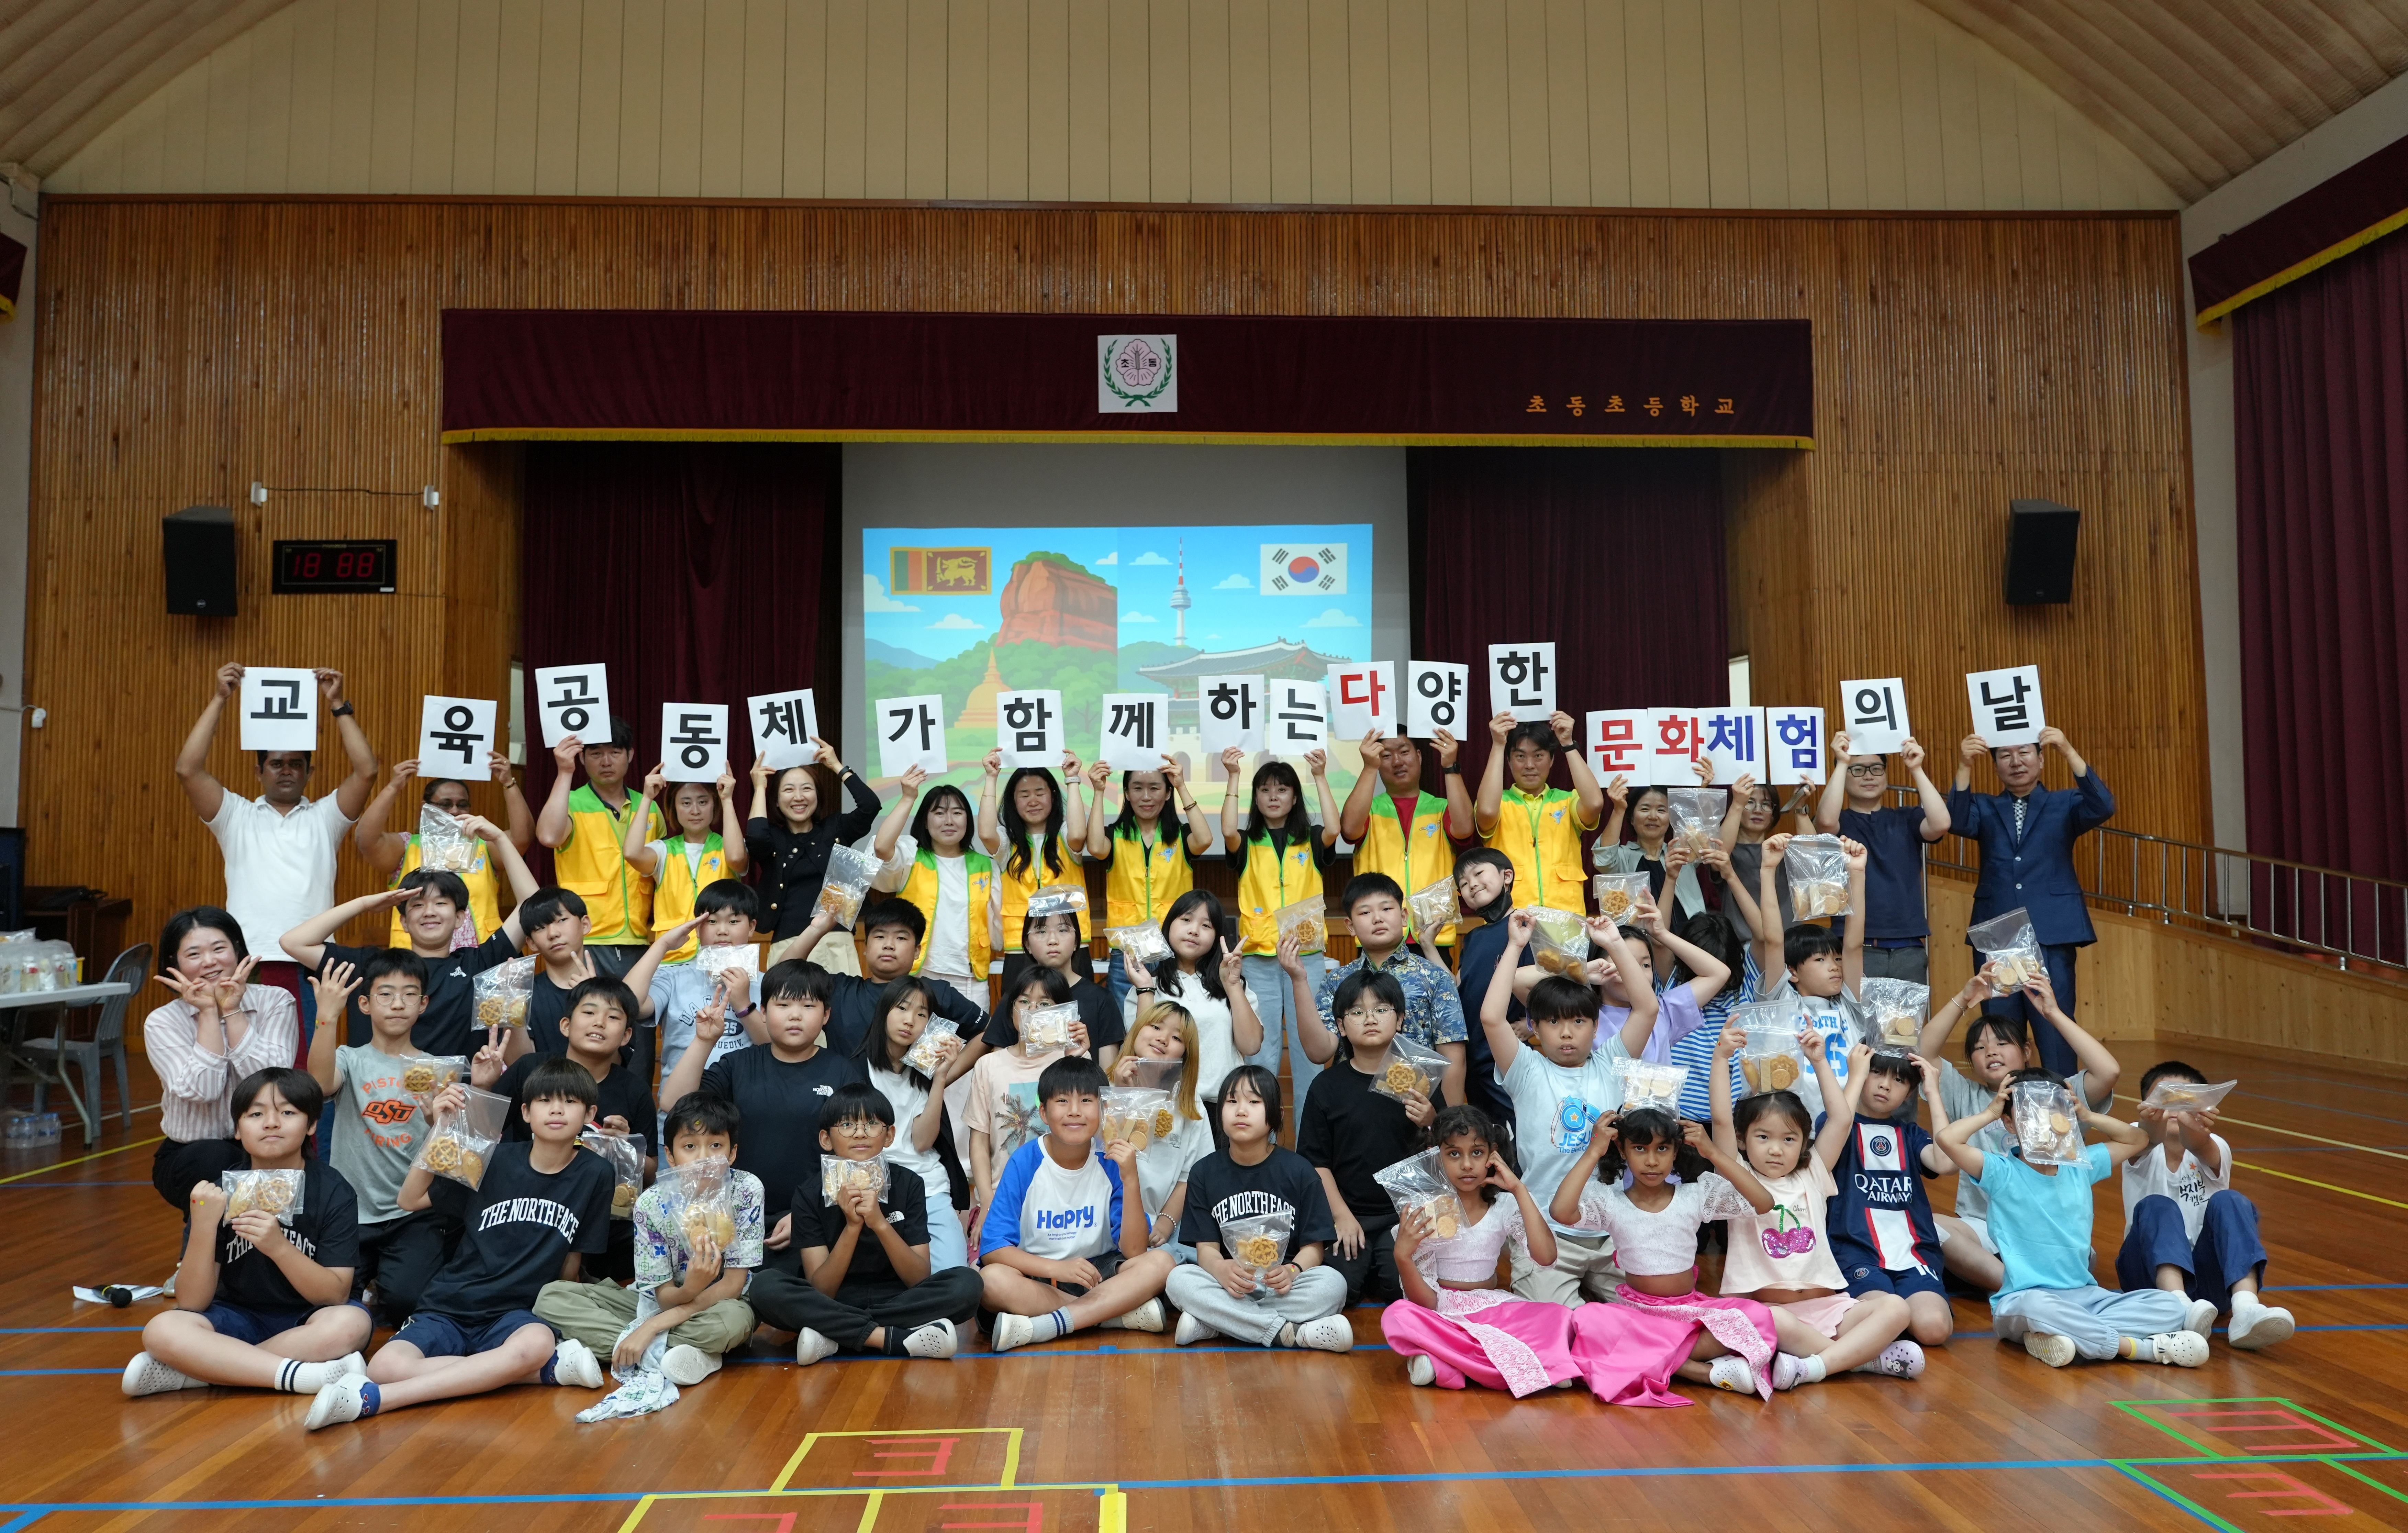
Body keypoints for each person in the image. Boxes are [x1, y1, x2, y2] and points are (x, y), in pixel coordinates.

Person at [304, 1057, 617, 1428]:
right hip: (452, 1303)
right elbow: (409, 1200)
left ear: (590, 1113)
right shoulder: (491, 1160)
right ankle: (540, 1373)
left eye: (570, 1102)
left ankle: (380, 1400)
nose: (557, 1110)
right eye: (546, 1101)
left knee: (536, 1343)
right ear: (526, 1113)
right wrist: (440, 1132)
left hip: (516, 1314)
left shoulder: (596, 1172)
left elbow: (572, 1258)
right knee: (386, 1365)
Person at [120, 1068, 373, 1398]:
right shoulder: (218, 1192)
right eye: (256, 1114)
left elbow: (335, 1295)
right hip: (235, 1319)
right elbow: (192, 1302)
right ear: (238, 1129)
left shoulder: (333, 1190)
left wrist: (278, 1247)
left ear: (311, 1125)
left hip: (309, 1320)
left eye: (287, 1112)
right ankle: (303, 1376)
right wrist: (204, 1225)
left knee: (351, 1323)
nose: (271, 1123)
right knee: (162, 1329)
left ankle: (205, 1372)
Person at [1933, 1069, 2209, 1370]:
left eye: (2056, 1110)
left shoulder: (2081, 1166)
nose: (2046, 1120)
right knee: (2038, 1308)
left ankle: (2067, 1336)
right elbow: (1948, 1139)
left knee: (2169, 1306)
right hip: (2025, 1300)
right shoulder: (2001, 1171)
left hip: (2086, 1297)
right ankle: (2140, 1348)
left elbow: (2138, 1138)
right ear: (2010, 1122)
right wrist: (1991, 1112)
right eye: (2031, 1113)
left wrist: (2087, 1115)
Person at [175, 663, 379, 1043]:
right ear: (259, 771)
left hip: (313, 961)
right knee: (248, 1063)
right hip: (248, 963)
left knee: (310, 1071)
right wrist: (220, 698)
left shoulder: (326, 817)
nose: (286, 771)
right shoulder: (235, 815)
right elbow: (188, 769)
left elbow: (366, 771)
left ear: (309, 772)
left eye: (295, 765)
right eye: (276, 764)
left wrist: (338, 706)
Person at [1706, 1035, 1926, 1387]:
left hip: (1830, 1309)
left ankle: (1815, 1366)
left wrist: (1820, 1061)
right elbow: (1719, 1121)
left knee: (1898, 1308)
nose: (1776, 1150)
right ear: (1743, 1140)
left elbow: (1841, 1118)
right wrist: (1721, 1059)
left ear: (1805, 1142)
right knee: (1775, 1321)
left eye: (1789, 1139)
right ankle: (1861, 1361)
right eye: (1763, 1138)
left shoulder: (1813, 1172)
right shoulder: (1737, 1176)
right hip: (1772, 1313)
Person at [1545, 1108, 1782, 1401]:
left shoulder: (1695, 1195)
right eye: (1640, 1148)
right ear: (1622, 1149)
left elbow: (1763, 1202)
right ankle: (1701, 1372)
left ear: (1676, 1150)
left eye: (1662, 1148)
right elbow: (1561, 1212)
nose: (1652, 1160)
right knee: (1590, 1319)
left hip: (1688, 1315)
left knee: (1758, 1315)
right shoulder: (1610, 1202)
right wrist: (1594, 1151)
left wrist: (1713, 1153)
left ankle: (1658, 1358)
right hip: (1639, 1316)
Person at [533, 1092, 763, 1391]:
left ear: (732, 1153)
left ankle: (635, 1347)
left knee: (731, 1323)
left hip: (721, 1304)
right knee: (550, 1297)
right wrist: (687, 1288)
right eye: (690, 1146)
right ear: (671, 1154)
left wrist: (651, 1328)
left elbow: (733, 1285)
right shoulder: (651, 1202)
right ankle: (686, 1355)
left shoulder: (746, 1189)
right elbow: (664, 1296)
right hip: (655, 1305)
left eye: (716, 1146)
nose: (704, 1157)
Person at [1479, 910, 1649, 1306]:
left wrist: (1615, 943)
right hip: (1545, 1231)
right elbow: (1491, 1017)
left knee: (1643, 1320)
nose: (1568, 1032)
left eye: (1578, 1021)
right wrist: (1516, 946)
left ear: (1596, 1025)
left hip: (1610, 1234)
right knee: (1555, 1326)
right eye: (1553, 1023)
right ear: (1535, 1028)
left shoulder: (1611, 1064)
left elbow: (1647, 1010)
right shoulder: (1527, 1069)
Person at [1916, 967, 2120, 1294]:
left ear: (2026, 1051)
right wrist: (1964, 999)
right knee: (1934, 1227)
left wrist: (2053, 1014)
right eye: (1979, 1048)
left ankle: (2022, 1281)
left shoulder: (2057, 1097)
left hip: (2049, 1231)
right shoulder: (1965, 1094)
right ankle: (2024, 1285)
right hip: (1983, 1229)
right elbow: (1923, 1050)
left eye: (2001, 1043)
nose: (1991, 1051)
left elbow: (2108, 1071)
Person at [749, 1083, 985, 1362]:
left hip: (897, 1298)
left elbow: (919, 1278)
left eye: (872, 1123)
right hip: (835, 1299)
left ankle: (835, 1334)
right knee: (764, 1287)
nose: (860, 1132)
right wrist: (852, 1227)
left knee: (967, 1284)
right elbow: (822, 1288)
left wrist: (880, 1223)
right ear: (826, 1139)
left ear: (889, 1135)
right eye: (847, 1124)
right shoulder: (810, 1192)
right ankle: (892, 1337)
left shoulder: (908, 1184)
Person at [658, 961, 867, 1271]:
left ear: (826, 1016)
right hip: (734, 1218)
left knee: (789, 1291)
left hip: (814, 1218)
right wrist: (704, 1040)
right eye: (783, 1004)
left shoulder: (843, 1071)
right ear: (764, 1012)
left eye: (808, 1006)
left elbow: (857, 1154)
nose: (795, 1015)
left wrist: (810, 1213)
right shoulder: (737, 1065)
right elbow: (673, 1103)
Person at [282, 812, 539, 1054]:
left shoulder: (479, 964)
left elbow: (532, 904)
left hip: (454, 1096)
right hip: (378, 1096)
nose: (429, 912)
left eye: (441, 904)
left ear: (461, 918)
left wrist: (501, 839)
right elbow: (294, 943)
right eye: (418, 905)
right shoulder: (372, 965)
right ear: (404, 921)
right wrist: (363, 904)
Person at [1380, 1106, 1583, 1395]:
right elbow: (1425, 1304)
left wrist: (1519, 1189)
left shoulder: (1505, 1204)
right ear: (1434, 1155)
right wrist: (1402, 1256)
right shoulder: (1424, 1212)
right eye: (1454, 1154)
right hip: (1442, 1312)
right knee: (1398, 1315)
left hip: (1493, 1308)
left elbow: (1546, 1256)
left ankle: (1447, 1362)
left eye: (1477, 1153)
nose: (1467, 1165)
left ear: (1493, 1154)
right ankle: (1537, 1362)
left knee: (1559, 1315)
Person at [1947, 725, 2114, 1075]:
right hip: (1998, 937)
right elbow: (1956, 820)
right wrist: (1964, 765)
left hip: (2052, 931)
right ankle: (2005, 1112)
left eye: (2024, 752)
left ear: (2041, 759)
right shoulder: (1985, 806)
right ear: (1995, 765)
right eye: (2005, 755)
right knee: (2000, 1031)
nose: (2016, 762)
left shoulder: (2065, 802)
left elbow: (2103, 804)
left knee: (2055, 1026)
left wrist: (2069, 750)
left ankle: (2062, 1113)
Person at [978, 1055, 1175, 1350]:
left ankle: (1050, 1324)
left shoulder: (1112, 1159)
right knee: (992, 1280)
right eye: (1062, 1102)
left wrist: (1131, 1178)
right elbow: (994, 1249)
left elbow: (1135, 1250)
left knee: (1162, 1262)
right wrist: (1057, 1269)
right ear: (1043, 1112)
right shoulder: (1025, 1161)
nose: (1074, 1112)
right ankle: (1109, 1315)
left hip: (1101, 1274)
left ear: (1103, 1108)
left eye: (1086, 1100)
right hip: (1042, 1276)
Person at [304, 956, 455, 1325]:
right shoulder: (349, 1059)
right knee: (329, 1303)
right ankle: (370, 1285)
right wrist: (327, 1016)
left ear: (424, 1005)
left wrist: (440, 1120)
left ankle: (384, 1284)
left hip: (412, 1214)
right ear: (365, 1004)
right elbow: (320, 1086)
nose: (398, 1003)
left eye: (409, 994)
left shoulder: (438, 1069)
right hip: (350, 1213)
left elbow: (449, 1149)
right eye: (385, 994)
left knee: (408, 1301)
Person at [475, 976, 655, 1281]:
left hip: (599, 1215)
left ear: (626, 1035)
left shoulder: (634, 1090)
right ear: (566, 1025)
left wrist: (628, 1147)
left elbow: (650, 1172)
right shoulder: (531, 1068)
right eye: (589, 1012)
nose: (599, 1022)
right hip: (524, 1204)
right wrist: (482, 1087)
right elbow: (480, 1135)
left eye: (612, 1017)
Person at [1167, 1066, 1351, 1350]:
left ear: (1277, 1115)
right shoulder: (1204, 1172)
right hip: (1231, 1287)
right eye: (1232, 1101)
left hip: (1284, 1287)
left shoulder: (1300, 1171)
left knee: (1333, 1283)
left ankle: (1219, 1324)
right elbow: (1206, 1249)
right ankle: (1290, 1333)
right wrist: (1220, 1269)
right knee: (1179, 1279)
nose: (1241, 1110)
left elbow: (1314, 1247)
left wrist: (1293, 1270)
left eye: (1254, 1102)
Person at [2116, 1061, 2293, 1349]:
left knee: (2232, 1200)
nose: (2173, 1108)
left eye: (2184, 1098)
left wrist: (2196, 1129)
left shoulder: (2216, 1144)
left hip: (2209, 1286)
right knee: (2157, 1205)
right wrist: (2149, 1128)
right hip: (2146, 1280)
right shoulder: (2134, 1137)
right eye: (2164, 1097)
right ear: (2145, 1104)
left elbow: (2200, 1145)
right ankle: (2178, 1306)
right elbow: (2142, 1143)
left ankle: (2246, 1308)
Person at [1219, 748, 1341, 1134]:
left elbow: (1336, 829)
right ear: (1255, 797)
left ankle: (1309, 1146)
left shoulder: (1313, 839)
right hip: (1259, 959)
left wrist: (1321, 775)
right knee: (1263, 1054)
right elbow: (1225, 830)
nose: (1274, 796)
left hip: (1306, 958)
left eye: (1283, 789)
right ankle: (1262, 1140)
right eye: (1266, 790)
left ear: (1294, 797)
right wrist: (1234, 776)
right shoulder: (1246, 842)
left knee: (1312, 1054)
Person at [1298, 971, 1439, 1306]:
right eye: (1358, 1012)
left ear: (1400, 1019)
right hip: (1349, 1212)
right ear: (1342, 1026)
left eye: (1382, 1009)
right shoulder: (1327, 1087)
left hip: (1405, 1215)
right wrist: (1341, 1216)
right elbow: (1316, 1162)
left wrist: (1432, 1121)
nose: (1371, 1019)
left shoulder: (1419, 1080)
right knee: (1343, 1289)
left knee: (1398, 1290)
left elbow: (1442, 1152)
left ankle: (1382, 1261)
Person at [145, 906, 300, 1208]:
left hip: (270, 1145)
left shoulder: (276, 1001)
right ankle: (208, 1249)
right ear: (173, 963)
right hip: (194, 1155)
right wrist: (207, 1013)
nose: (209, 962)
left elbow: (272, 1085)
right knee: (215, 1160)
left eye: (219, 949)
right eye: (193, 954)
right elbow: (202, 1091)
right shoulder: (162, 1022)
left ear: (238, 950)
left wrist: (231, 1011)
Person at [1819, 1045, 1957, 1348]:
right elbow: (1823, 1163)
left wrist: (1933, 1092)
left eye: (1899, 1080)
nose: (1885, 1084)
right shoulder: (1835, 1125)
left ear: (1909, 1093)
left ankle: (1890, 1333)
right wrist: (1855, 1076)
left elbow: (1946, 1163)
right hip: (1856, 1251)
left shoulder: (1910, 1134)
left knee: (1934, 1329)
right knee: (1881, 1318)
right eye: (1876, 1073)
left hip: (1914, 1253)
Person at [1312, 873, 1468, 1108]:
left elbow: (1453, 1056)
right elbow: (1321, 1051)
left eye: (1386, 909)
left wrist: (1450, 1124)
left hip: (1417, 1105)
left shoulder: (1434, 977)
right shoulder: (1336, 980)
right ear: (1350, 926)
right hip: (1353, 1103)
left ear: (1404, 916)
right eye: (1365, 912)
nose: (1377, 919)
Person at [771, 896, 992, 1059]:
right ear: (866, 947)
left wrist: (946, 1078)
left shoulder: (936, 992)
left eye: (901, 937)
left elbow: (989, 1032)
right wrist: (817, 929)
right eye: (880, 936)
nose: (889, 944)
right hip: (849, 1112)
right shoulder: (840, 990)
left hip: (917, 1109)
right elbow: (783, 978)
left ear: (917, 951)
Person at [1121, 891, 1264, 1142]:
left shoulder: (1232, 984)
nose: (1194, 930)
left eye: (1206, 925)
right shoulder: (1146, 986)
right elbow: (1142, 1054)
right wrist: (1145, 988)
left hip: (1222, 1108)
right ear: (1169, 926)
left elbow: (1251, 1045)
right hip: (1165, 1107)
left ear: (1218, 935)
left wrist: (1232, 986)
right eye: (1186, 920)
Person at [857, 976, 979, 1271]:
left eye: (922, 1014)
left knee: (955, 1277)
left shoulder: (924, 1075)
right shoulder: (855, 1069)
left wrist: (939, 1078)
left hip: (928, 1187)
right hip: (872, 1187)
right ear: (884, 1011)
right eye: (902, 1008)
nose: (910, 1020)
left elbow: (923, 1142)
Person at [1749, 834, 1873, 1122]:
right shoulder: (1781, 1000)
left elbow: (1854, 945)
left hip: (1848, 1121)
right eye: (1820, 960)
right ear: (1792, 972)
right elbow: (1773, 941)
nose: (1835, 967)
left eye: (1836, 959)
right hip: (1791, 1124)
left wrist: (1856, 873)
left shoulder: (1848, 1004)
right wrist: (1768, 871)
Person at [354, 753, 534, 947]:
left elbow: (522, 838)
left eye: (462, 805)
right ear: (426, 807)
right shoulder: (407, 847)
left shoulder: (485, 845)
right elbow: (366, 840)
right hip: (418, 961)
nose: (455, 811)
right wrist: (393, 787)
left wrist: (509, 783)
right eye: (446, 804)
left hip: (479, 956)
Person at [964, 966, 1094, 1237]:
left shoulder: (1071, 1058)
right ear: (1011, 1009)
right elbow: (979, 1140)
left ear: (1062, 1013)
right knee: (984, 1275)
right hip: (1004, 1197)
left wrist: (1077, 1058)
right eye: (1024, 1001)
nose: (1032, 1010)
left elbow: (1091, 1133)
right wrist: (989, 1204)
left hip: (1064, 1200)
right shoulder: (988, 1065)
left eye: (1045, 1004)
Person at [1811, 735, 1950, 984]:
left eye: (1877, 769)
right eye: (1858, 769)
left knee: (1908, 1024)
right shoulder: (1841, 821)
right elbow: (1825, 822)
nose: (1869, 776)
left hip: (1908, 946)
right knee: (1858, 1023)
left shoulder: (1906, 817)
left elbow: (1941, 824)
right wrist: (1842, 763)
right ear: (1844, 777)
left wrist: (1916, 768)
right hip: (1855, 945)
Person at [534, 718, 663, 981]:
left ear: (630, 755)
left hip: (639, 937)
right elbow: (548, 836)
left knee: (636, 1019)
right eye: (596, 753)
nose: (606, 761)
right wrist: (564, 773)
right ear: (582, 758)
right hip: (586, 937)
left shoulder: (648, 805)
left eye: (615, 752)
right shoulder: (570, 801)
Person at [1083, 755, 1214, 1013]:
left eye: (1155, 788)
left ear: (1167, 794)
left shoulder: (1180, 835)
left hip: (1174, 947)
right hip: (1128, 951)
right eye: (1138, 788)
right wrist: (1099, 792)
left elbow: (1205, 839)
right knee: (1128, 1023)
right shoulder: (1116, 834)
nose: (1146, 796)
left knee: (1176, 1020)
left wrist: (1182, 787)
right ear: (1127, 794)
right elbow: (1096, 847)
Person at [1337, 729, 1474, 956]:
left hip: (1433, 933)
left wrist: (1450, 767)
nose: (1398, 761)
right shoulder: (1369, 810)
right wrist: (1369, 767)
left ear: (1419, 756)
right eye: (1386, 755)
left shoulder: (1440, 808)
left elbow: (1464, 829)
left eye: (1404, 751)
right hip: (1378, 934)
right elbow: (1349, 829)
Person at [746, 743, 882, 972]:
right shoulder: (774, 839)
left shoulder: (835, 829)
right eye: (789, 790)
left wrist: (837, 766)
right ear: (777, 801)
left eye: (807, 789)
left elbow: (870, 807)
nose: (799, 797)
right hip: (788, 945)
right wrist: (759, 788)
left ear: (818, 796)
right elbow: (756, 837)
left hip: (836, 944)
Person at [870, 770, 998, 1012]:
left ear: (968, 820)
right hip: (920, 974)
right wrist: (908, 797)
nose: (949, 820)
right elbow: (882, 847)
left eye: (957, 813)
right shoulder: (910, 858)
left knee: (972, 1045)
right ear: (925, 822)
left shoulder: (986, 865)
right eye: (939, 813)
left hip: (971, 978)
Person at [624, 885, 769, 1092]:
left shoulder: (768, 983)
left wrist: (744, 1004)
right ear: (698, 929)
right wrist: (663, 944)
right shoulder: (673, 977)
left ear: (752, 927)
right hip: (682, 1108)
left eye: (734, 921)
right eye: (712, 921)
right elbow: (629, 1005)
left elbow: (774, 1047)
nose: (722, 930)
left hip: (745, 1107)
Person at [978, 751, 1090, 993]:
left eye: (1040, 793)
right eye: (1024, 795)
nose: (1033, 800)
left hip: (1071, 946)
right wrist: (991, 777)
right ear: (1014, 802)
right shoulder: (1008, 844)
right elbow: (987, 833)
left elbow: (1080, 834)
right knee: (1023, 1022)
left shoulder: (1065, 835)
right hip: (1021, 947)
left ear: (1052, 796)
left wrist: (1072, 779)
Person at [1107, 1001, 1214, 1258]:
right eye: (1155, 1026)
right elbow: (1097, 1154)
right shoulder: (1103, 1086)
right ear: (1135, 1031)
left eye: (1177, 1037)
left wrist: (1166, 1222)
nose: (1163, 1038)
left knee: (1176, 1264)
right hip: (1104, 1222)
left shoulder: (1190, 1104)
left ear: (1185, 1054)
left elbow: (1191, 1174)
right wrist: (1122, 1093)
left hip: (1160, 1228)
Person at [1474, 712, 1604, 915]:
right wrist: (1499, 745)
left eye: (1539, 756)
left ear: (1552, 760)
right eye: (1520, 756)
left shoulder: (1566, 800)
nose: (1530, 765)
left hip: (1566, 918)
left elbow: (1595, 804)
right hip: (1511, 918)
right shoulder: (1499, 802)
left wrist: (1568, 744)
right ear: (1508, 762)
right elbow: (1487, 812)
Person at [622, 763, 748, 964]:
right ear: (674, 808)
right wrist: (647, 799)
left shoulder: (728, 845)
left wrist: (727, 800)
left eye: (703, 802)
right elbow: (632, 853)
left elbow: (736, 859)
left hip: (723, 956)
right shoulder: (664, 850)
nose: (696, 811)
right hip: (674, 958)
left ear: (713, 805)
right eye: (686, 803)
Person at [980, 909, 1123, 1070]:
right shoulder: (1016, 999)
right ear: (1027, 944)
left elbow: (1108, 1075)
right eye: (1041, 931)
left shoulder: (1100, 999)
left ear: (1077, 942)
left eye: (1063, 930)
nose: (1053, 940)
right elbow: (1000, 1069)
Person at [1448, 849, 1523, 1134]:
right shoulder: (1473, 937)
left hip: (1503, 1057)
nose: (1472, 884)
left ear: (1507, 876)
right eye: (1464, 884)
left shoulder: (1526, 925)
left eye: (1478, 874)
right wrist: (1429, 945)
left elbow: (1552, 984)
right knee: (1485, 1134)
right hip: (1470, 1056)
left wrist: (1531, 1025)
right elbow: (1457, 989)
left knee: (1520, 1128)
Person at [1595, 784, 1706, 932]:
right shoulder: (1623, 856)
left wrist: (1702, 787)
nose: (1653, 817)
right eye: (1645, 809)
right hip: (1642, 947)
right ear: (1632, 819)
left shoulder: (1682, 852)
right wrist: (1619, 809)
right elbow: (1604, 859)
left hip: (1692, 939)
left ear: (1671, 819)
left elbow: (1703, 840)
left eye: (1661, 810)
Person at [1713, 773, 1815, 933]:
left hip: (1790, 943)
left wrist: (1799, 805)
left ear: (1773, 814)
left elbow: (1813, 858)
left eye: (1766, 804)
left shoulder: (1780, 849)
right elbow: (1718, 857)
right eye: (1750, 803)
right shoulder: (1727, 852)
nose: (1758, 810)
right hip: (1743, 947)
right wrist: (1738, 804)